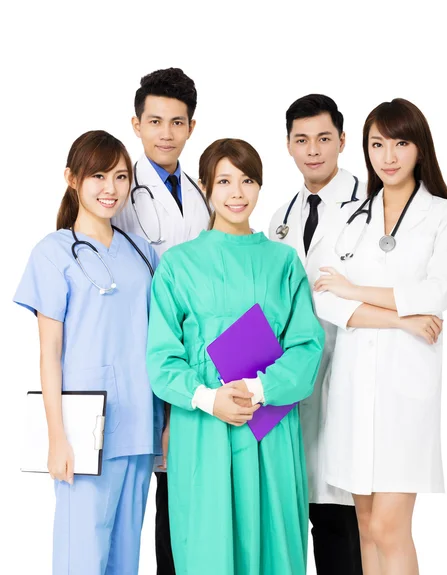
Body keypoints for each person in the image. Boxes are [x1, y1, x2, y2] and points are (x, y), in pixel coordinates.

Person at [146, 138, 325, 575]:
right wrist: (210, 398)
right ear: (206, 187)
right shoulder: (178, 265)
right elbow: (162, 357)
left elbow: (306, 344)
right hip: (203, 424)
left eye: (247, 180)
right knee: (209, 545)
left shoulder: (283, 262)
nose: (237, 192)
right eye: (224, 181)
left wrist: (260, 389)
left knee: (273, 542)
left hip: (267, 423)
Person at [313, 98, 447, 575]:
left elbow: (435, 293)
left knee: (388, 528)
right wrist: (401, 319)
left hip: (406, 393)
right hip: (353, 388)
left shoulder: (446, 216)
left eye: (400, 143)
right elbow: (324, 298)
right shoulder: (351, 217)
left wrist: (356, 291)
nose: (389, 156)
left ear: (419, 147)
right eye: (377, 144)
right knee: (363, 524)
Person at [14, 130, 161, 574]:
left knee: (124, 558)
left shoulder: (142, 252)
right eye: (98, 175)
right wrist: (56, 436)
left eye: (120, 176)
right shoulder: (53, 252)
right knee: (83, 558)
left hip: (138, 424)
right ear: (72, 179)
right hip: (84, 433)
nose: (111, 188)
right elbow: (49, 353)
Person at [112, 67, 210, 575]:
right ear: (136, 124)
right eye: (155, 121)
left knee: (185, 493)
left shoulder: (199, 190)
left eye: (177, 122)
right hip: (142, 356)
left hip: (194, 359)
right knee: (139, 501)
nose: (166, 133)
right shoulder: (119, 188)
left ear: (192, 127)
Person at [268, 93, 363, 575]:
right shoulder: (279, 216)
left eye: (324, 138)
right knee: (295, 513)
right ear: (287, 145)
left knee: (343, 525)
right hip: (292, 382)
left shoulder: (370, 207)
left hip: (349, 370)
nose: (313, 149)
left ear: (342, 141)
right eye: (301, 139)